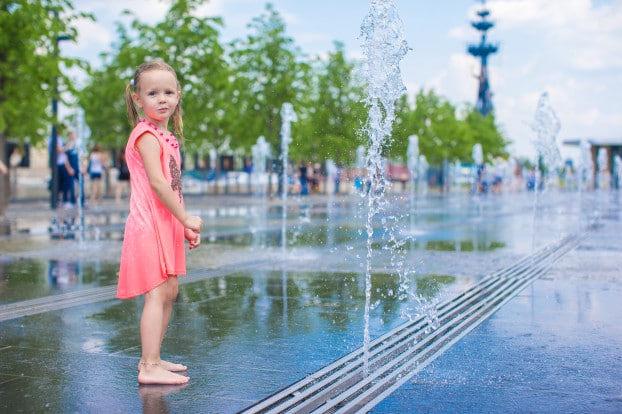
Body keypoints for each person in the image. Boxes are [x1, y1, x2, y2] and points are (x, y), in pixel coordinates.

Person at [117, 59, 203, 385]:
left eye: (168, 91)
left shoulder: (167, 136)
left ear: (178, 94)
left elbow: (175, 188)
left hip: (166, 224)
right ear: (137, 98)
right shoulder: (145, 135)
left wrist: (182, 225)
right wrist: (184, 218)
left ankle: (151, 357)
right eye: (153, 93)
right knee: (156, 293)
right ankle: (148, 367)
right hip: (148, 224)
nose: (162, 99)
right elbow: (157, 183)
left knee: (169, 290)